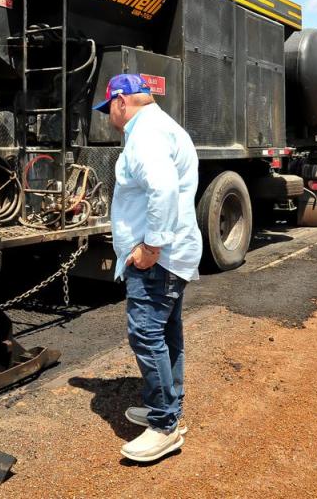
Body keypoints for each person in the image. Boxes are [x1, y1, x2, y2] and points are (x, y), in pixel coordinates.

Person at [93, 74, 202, 463]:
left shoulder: (146, 134)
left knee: (146, 333)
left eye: (109, 109)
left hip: (160, 257)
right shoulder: (162, 126)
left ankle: (164, 426)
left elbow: (162, 188)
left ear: (122, 101)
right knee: (167, 333)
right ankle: (170, 410)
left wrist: (150, 247)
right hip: (174, 254)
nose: (110, 117)